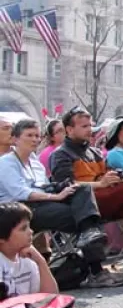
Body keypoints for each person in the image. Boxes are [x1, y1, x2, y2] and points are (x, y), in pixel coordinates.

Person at [50, 107, 123, 283]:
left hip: (104, 200)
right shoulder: (61, 154)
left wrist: (113, 177)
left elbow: (109, 178)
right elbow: (65, 186)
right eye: (84, 126)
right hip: (82, 207)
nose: (89, 129)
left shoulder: (94, 152)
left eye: (90, 125)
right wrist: (101, 183)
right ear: (69, 129)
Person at [0, 118, 115, 286]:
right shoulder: (5, 163)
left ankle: (93, 258)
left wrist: (61, 189)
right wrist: (57, 197)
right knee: (86, 220)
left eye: (37, 135)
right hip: (20, 210)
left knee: (82, 190)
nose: (34, 139)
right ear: (16, 139)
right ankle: (96, 270)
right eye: (29, 135)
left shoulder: (35, 161)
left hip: (44, 203)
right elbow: (21, 193)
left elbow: (43, 186)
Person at [0, 202, 59, 296]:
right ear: (1, 238)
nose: (31, 231)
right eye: (23, 229)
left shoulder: (28, 258)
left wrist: (41, 262)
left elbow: (51, 297)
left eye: (29, 226)